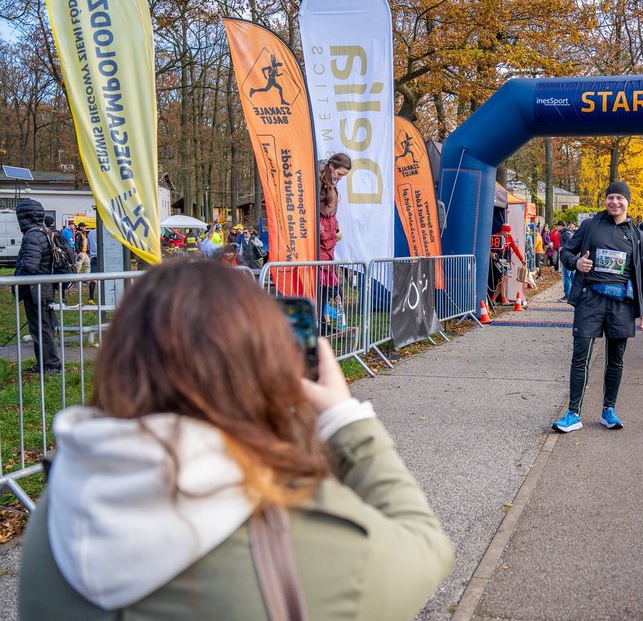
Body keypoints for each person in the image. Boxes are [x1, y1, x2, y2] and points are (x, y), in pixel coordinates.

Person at [17, 261, 454, 619]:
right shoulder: (299, 533)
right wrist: (343, 418)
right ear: (260, 368)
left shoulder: (58, 510)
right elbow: (426, 546)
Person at [553, 181, 643, 433]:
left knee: (616, 359)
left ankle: (609, 410)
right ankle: (573, 413)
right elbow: (566, 252)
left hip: (621, 304)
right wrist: (576, 263)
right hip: (590, 300)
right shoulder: (591, 225)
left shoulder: (637, 236)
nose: (614, 202)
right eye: (611, 197)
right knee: (580, 356)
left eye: (620, 198)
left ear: (628, 202)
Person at [14, 199, 62, 374]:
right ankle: (44, 364)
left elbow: (30, 265)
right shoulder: (45, 232)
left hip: (35, 290)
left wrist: (15, 282)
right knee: (42, 328)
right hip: (44, 288)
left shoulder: (32, 236)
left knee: (41, 329)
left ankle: (51, 365)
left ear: (23, 217)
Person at [319, 153, 352, 325]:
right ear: (331, 166)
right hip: (321, 237)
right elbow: (312, 207)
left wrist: (335, 228)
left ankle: (323, 320)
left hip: (329, 235)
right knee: (320, 278)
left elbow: (332, 212)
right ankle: (319, 321)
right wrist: (319, 226)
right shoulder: (319, 181)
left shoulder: (331, 183)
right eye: (340, 174)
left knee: (326, 279)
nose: (340, 178)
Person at [558, 221, 577, 303]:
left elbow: (570, 244)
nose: (557, 228)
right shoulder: (568, 232)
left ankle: (567, 295)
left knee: (567, 276)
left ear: (561, 226)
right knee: (572, 277)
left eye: (558, 226)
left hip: (567, 257)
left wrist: (563, 249)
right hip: (571, 257)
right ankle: (575, 295)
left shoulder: (566, 233)